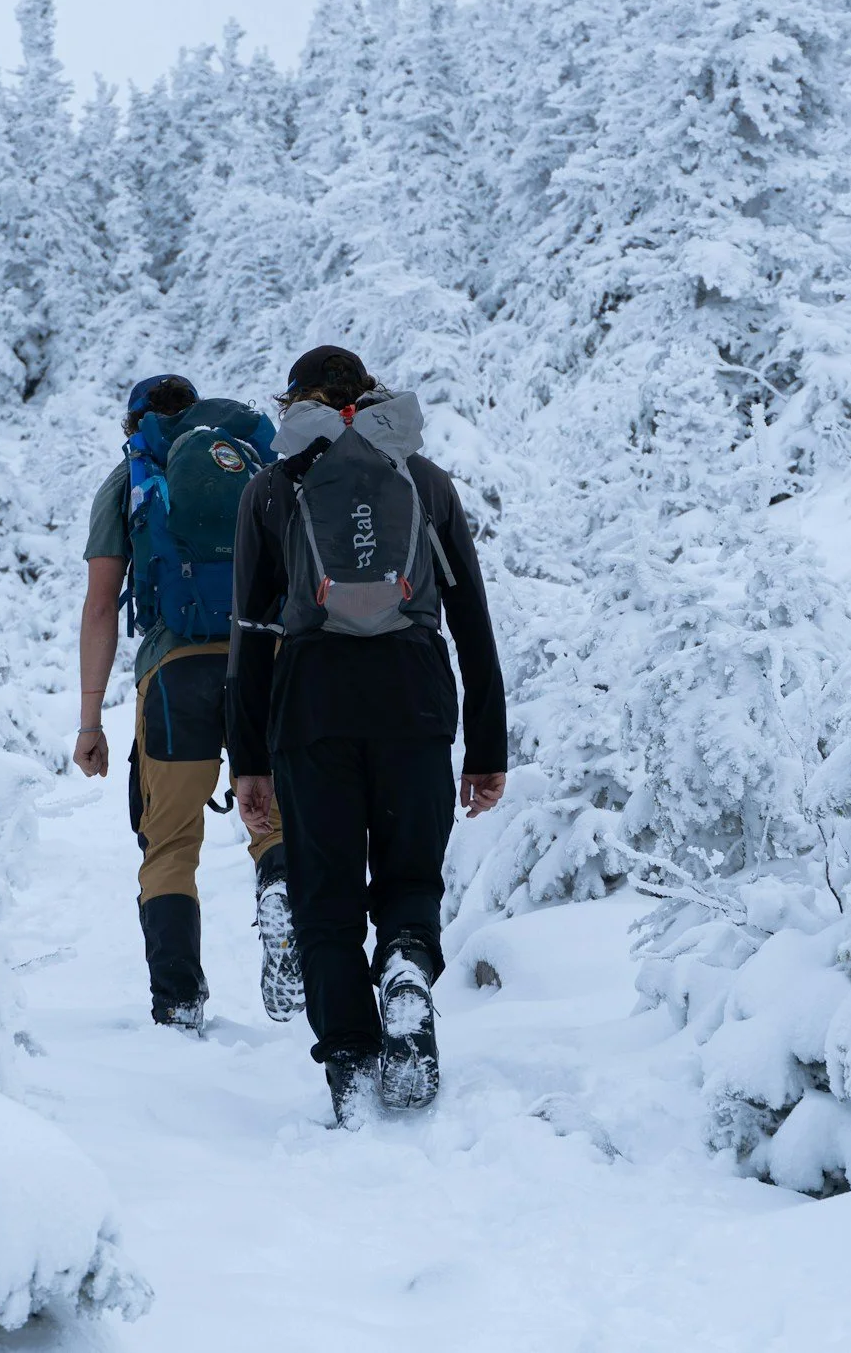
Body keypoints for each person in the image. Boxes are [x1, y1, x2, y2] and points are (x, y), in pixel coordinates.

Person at [227, 345, 507, 1125]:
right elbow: (472, 620)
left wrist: (247, 758)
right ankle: (408, 968)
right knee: (410, 875)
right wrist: (487, 747)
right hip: (415, 696)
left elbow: (250, 630)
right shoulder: (422, 479)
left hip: (311, 704)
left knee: (326, 897)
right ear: (370, 395)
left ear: (296, 403)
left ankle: (349, 1061)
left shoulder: (270, 490)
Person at [76, 373, 303, 1032]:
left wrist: (91, 719)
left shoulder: (129, 482)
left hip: (175, 672)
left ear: (134, 425)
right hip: (265, 658)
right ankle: (281, 887)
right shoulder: (249, 462)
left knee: (170, 843)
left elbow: (99, 606)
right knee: (277, 819)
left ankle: (178, 999)